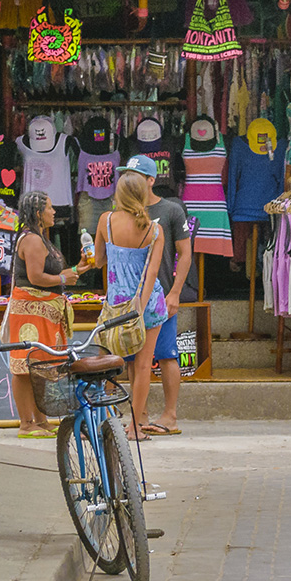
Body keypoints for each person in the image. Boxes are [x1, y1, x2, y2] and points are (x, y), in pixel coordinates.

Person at [88, 169, 169, 442]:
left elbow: (98, 261)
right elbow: (152, 274)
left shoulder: (105, 221)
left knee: (107, 363)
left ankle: (102, 420)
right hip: (147, 306)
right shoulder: (154, 229)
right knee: (144, 366)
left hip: (115, 304)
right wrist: (139, 309)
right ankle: (135, 427)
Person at [1, 190, 85, 437]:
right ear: (39, 213)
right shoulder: (33, 240)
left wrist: (79, 267)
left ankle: (41, 420)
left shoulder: (40, 237)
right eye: (50, 207)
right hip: (31, 314)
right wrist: (62, 277)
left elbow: (56, 276)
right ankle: (27, 423)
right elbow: (36, 277)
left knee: (38, 367)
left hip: (42, 312)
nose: (54, 211)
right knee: (24, 367)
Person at [142, 156, 193, 435]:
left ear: (151, 180)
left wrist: (175, 293)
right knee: (133, 358)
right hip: (132, 297)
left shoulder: (171, 210)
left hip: (162, 295)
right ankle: (141, 415)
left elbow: (185, 255)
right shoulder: (124, 211)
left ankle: (170, 415)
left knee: (166, 355)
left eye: (137, 176)